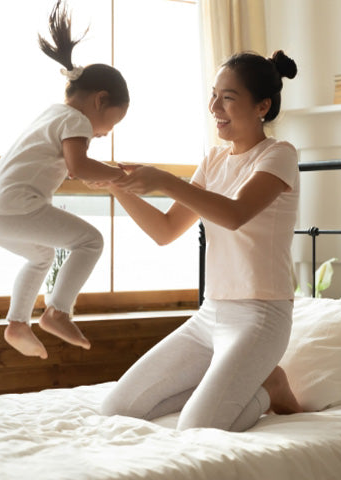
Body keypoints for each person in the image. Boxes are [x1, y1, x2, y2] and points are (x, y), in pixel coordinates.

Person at [99, 50, 303, 432]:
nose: (214, 107)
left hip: (259, 317)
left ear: (263, 106)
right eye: (213, 95)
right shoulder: (213, 160)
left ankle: (268, 387)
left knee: (197, 427)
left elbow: (235, 214)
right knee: (116, 408)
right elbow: (165, 230)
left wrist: (164, 180)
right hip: (211, 315)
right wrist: (118, 187)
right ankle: (239, 383)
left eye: (227, 97)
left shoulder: (279, 155)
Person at [0, 0, 128, 360]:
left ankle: (17, 323)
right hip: (12, 207)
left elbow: (69, 165)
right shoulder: (78, 121)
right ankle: (57, 311)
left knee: (41, 256)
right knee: (91, 241)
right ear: (100, 101)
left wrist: (93, 173)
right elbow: (78, 167)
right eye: (112, 124)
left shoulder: (52, 113)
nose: (104, 134)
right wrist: (118, 177)